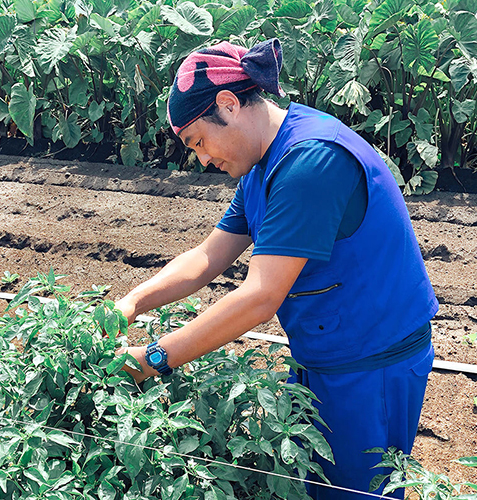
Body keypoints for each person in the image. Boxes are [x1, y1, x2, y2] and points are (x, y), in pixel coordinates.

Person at [115, 39, 439, 499]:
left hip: (371, 363)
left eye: (199, 142)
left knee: (355, 492)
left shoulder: (311, 161)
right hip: (325, 352)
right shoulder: (261, 163)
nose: (203, 159)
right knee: (312, 484)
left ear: (228, 105)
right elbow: (208, 257)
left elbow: (260, 297)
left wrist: (152, 360)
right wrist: (130, 304)